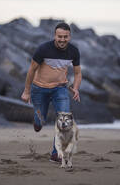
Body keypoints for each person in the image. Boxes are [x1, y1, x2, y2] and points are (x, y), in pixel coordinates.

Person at [21, 22, 82, 162]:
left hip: (60, 89)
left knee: (64, 120)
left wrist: (76, 88)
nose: (62, 39)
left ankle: (56, 154)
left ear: (70, 37)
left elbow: (78, 73)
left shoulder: (73, 51)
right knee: (40, 121)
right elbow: (31, 70)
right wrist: (26, 91)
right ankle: (38, 122)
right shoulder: (43, 49)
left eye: (65, 37)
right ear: (55, 35)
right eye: (59, 36)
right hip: (39, 89)